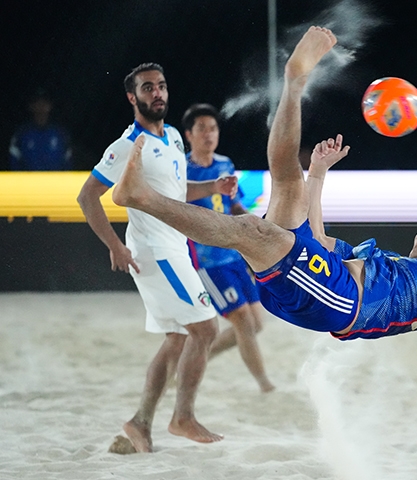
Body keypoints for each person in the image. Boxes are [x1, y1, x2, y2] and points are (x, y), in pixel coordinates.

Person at [111, 28, 417, 356]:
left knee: (253, 230)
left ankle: (142, 197)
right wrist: (317, 175)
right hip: (326, 281)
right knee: (288, 179)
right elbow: (317, 241)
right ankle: (294, 83)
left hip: (342, 303)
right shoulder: (384, 259)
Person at [77, 63, 238, 453]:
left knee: (178, 338)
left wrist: (213, 185)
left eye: (161, 86)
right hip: (155, 251)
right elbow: (87, 197)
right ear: (133, 98)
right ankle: (182, 417)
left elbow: (176, 191)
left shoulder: (171, 138)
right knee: (206, 330)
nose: (157, 93)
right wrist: (115, 246)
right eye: (148, 88)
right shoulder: (127, 145)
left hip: (174, 246)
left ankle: (140, 423)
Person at [182, 103, 275, 393]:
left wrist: (252, 222)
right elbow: (177, 197)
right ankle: (266, 387)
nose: (209, 134)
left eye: (213, 128)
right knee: (244, 323)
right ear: (189, 135)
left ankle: (193, 359)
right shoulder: (182, 169)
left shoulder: (224, 164)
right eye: (202, 129)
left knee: (255, 324)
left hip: (233, 253)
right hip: (206, 259)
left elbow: (233, 204)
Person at [9, 88, 72, 170]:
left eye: (44, 103)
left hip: (55, 182)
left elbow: (68, 164)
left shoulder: (61, 134)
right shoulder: (21, 134)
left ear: (50, 106)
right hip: (28, 182)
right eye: (37, 103)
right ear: (31, 106)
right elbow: (14, 164)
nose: (41, 106)